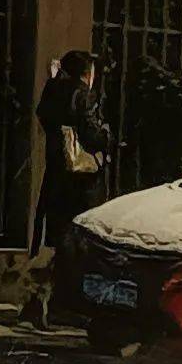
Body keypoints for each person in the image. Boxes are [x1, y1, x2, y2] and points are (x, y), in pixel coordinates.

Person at [37, 47, 114, 247]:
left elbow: (43, 115)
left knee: (61, 227)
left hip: (57, 165)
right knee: (83, 228)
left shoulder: (53, 90)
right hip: (81, 173)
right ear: (86, 72)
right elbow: (90, 134)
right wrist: (106, 137)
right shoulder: (82, 93)